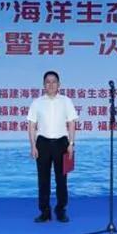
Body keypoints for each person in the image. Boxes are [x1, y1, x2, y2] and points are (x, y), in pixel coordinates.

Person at [26, 71, 78, 223]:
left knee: (62, 179)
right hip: (42, 143)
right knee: (43, 180)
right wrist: (33, 146)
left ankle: (61, 210)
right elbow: (31, 126)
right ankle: (45, 212)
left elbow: (72, 123)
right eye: (47, 82)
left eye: (54, 81)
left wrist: (71, 144)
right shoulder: (37, 102)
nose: (51, 84)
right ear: (43, 85)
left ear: (59, 84)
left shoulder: (66, 101)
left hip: (62, 143)